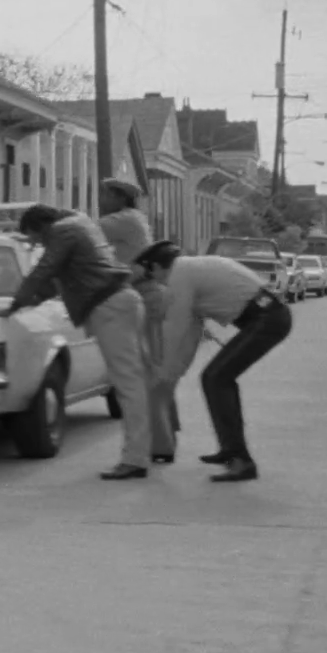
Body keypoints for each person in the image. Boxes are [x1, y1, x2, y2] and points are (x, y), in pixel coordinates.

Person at [0, 204, 153, 480]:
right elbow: (52, 284)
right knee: (136, 379)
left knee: (128, 383)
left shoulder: (62, 232)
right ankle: (148, 448)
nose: (37, 244)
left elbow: (44, 271)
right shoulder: (79, 225)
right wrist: (22, 305)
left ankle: (135, 458)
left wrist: (15, 305)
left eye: (36, 238)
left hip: (108, 306)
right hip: (121, 302)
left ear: (43, 226)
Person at [135, 239, 292, 483]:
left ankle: (241, 460)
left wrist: (164, 372)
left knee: (217, 378)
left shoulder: (180, 275)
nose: (156, 282)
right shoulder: (189, 270)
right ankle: (231, 450)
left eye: (151, 274)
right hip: (267, 316)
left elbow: (175, 328)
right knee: (213, 378)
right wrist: (173, 372)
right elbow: (191, 331)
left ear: (157, 266)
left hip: (267, 318)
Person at [97, 177, 178, 464]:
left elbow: (83, 230)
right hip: (143, 296)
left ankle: (161, 444)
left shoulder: (123, 220)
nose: (101, 200)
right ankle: (164, 441)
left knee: (149, 374)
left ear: (120, 198)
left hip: (145, 297)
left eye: (105, 195)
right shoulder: (131, 218)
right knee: (152, 372)